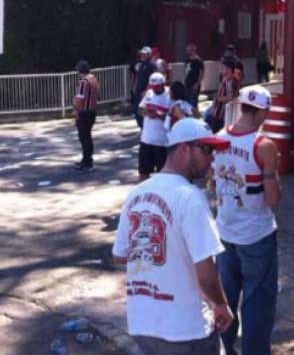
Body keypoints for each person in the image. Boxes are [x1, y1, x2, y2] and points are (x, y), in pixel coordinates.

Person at [112, 118, 234, 354]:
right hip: (185, 329)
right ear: (183, 149)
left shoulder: (137, 194)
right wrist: (220, 304)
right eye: (206, 149)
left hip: (143, 324)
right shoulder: (190, 197)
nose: (212, 158)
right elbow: (206, 275)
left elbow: (120, 255)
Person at [212, 85, 281, 355]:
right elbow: (273, 198)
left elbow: (212, 182)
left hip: (225, 231)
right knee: (258, 304)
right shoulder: (263, 146)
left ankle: (225, 349)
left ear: (241, 106)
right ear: (263, 111)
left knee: (226, 299)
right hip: (257, 234)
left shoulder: (218, 138)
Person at [138, 72, 170, 181]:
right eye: (152, 87)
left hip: (162, 142)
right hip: (146, 140)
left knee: (163, 174)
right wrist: (146, 113)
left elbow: (173, 117)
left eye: (157, 87)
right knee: (143, 172)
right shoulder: (149, 93)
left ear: (163, 84)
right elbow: (140, 109)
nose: (154, 89)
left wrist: (158, 115)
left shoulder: (169, 95)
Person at [73, 60, 100, 170]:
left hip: (84, 112)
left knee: (84, 137)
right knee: (87, 136)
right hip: (92, 110)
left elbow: (80, 99)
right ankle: (86, 159)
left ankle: (87, 161)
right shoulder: (93, 79)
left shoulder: (84, 82)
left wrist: (76, 111)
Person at [207, 58, 239, 133]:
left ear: (229, 69)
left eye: (222, 67)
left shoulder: (230, 81)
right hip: (219, 111)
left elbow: (230, 97)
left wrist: (218, 99)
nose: (220, 69)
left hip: (221, 113)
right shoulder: (226, 79)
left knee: (216, 132)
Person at [132, 47, 156, 129]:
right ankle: (142, 128)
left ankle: (145, 128)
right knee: (136, 111)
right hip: (138, 92)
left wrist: (146, 91)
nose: (142, 55)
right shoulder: (142, 64)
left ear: (149, 55)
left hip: (144, 93)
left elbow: (151, 79)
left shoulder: (151, 65)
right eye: (142, 54)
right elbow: (138, 77)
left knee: (141, 112)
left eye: (145, 54)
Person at [184, 43, 205, 108]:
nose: (187, 51)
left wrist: (197, 84)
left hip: (194, 85)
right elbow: (186, 71)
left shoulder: (198, 60)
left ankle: (195, 117)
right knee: (187, 102)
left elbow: (202, 73)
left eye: (189, 50)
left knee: (193, 103)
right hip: (187, 84)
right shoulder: (187, 60)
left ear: (193, 50)